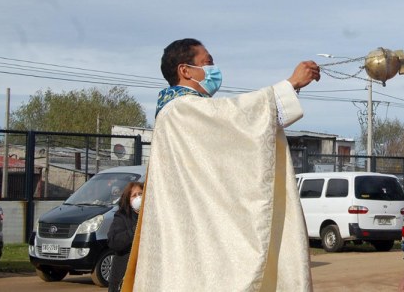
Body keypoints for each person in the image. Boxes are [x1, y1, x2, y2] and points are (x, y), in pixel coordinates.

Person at [121, 39, 320, 292]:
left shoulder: (176, 112)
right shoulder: (181, 110)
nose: (214, 69)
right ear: (185, 70)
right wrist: (291, 84)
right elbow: (242, 120)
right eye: (208, 62)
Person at [107, 181, 143, 292]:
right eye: (134, 195)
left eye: (141, 194)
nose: (138, 198)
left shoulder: (151, 216)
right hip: (124, 274)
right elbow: (114, 242)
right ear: (128, 200)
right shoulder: (122, 216)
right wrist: (135, 230)